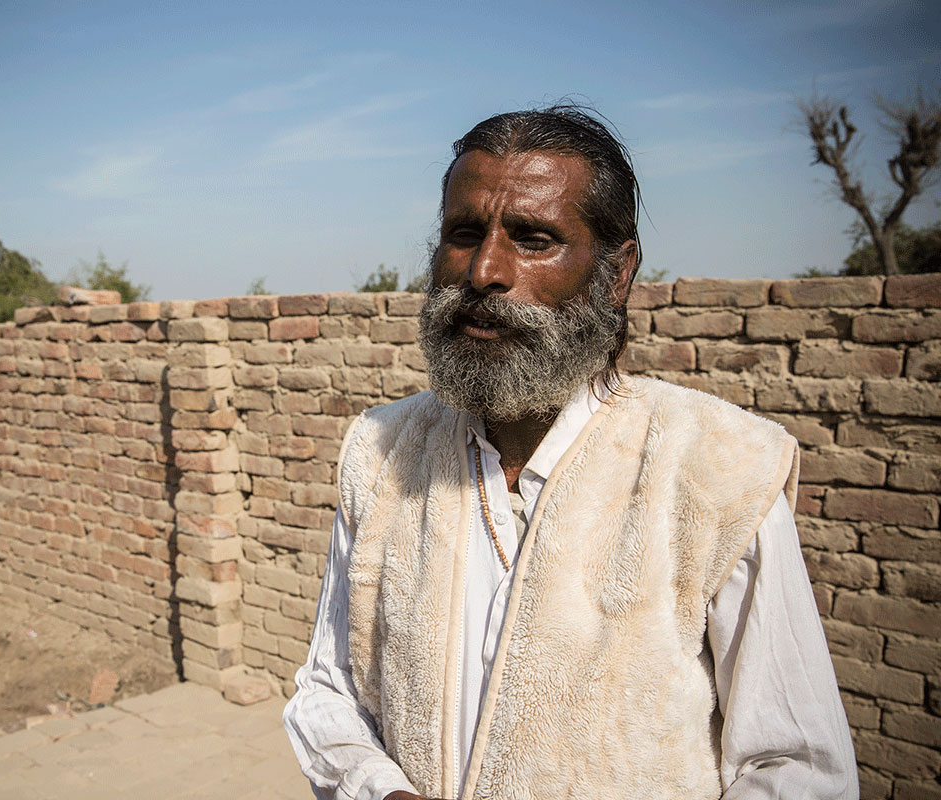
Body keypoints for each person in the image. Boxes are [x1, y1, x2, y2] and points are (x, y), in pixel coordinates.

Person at [282, 106, 859, 800]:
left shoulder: (719, 467)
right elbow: (329, 690)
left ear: (616, 273)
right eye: (464, 235)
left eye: (533, 238)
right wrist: (382, 791)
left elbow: (796, 767)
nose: (486, 271)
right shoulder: (380, 453)